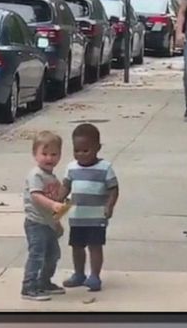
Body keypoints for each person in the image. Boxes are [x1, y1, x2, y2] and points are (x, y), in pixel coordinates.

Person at [58, 123, 119, 292]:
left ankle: (94, 276)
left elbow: (114, 188)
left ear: (97, 148)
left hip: (96, 217)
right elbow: (66, 186)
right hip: (77, 216)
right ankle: (79, 274)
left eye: (86, 151)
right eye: (77, 150)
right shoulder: (71, 167)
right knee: (77, 246)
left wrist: (109, 206)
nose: (81, 155)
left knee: (95, 246)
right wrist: (58, 199)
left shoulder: (105, 168)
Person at [21, 131, 66, 301]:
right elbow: (36, 196)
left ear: (60, 156)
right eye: (44, 154)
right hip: (35, 223)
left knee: (53, 254)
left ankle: (44, 282)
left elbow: (58, 199)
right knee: (37, 254)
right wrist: (53, 204)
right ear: (35, 155)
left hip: (48, 223)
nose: (49, 158)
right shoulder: (36, 175)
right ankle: (29, 286)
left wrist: (57, 221)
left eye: (54, 154)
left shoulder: (52, 177)